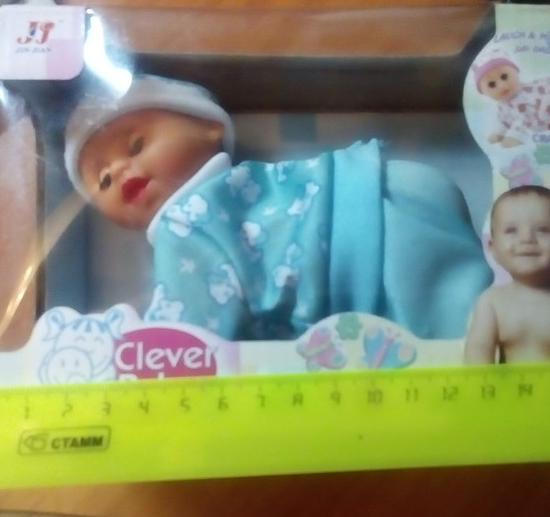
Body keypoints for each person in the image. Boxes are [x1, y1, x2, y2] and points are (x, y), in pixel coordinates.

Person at [64, 74, 492, 341]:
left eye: (136, 145)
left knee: (459, 348)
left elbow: (192, 335)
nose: (119, 170)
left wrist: (132, 353)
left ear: (210, 125)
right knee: (471, 324)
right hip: (393, 189)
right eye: (103, 181)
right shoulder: (249, 187)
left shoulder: (184, 226)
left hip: (372, 242)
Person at [464, 185, 550, 363]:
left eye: (542, 230)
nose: (526, 239)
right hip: (506, 384)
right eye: (511, 230)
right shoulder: (490, 302)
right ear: (493, 249)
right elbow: (477, 354)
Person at [473, 49, 550, 147]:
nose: (502, 86)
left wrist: (515, 137)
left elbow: (526, 121)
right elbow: (503, 118)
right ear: (483, 92)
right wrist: (498, 132)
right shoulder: (502, 104)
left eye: (504, 77)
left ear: (515, 72)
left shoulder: (524, 99)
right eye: (492, 84)